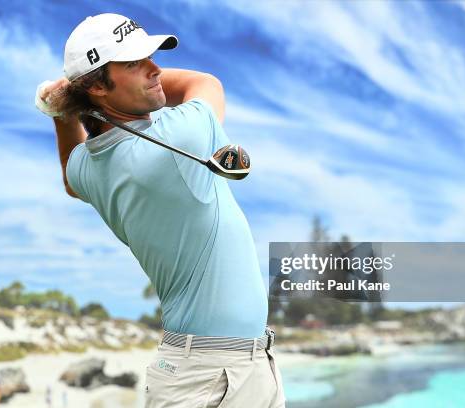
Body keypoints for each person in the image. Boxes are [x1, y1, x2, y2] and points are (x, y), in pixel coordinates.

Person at [35, 13, 285, 407]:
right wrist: (72, 94)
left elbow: (69, 176)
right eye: (135, 63)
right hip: (211, 374)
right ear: (99, 86)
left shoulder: (91, 166)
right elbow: (204, 83)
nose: (156, 70)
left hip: (232, 365)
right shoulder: (176, 138)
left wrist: (65, 108)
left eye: (151, 57)